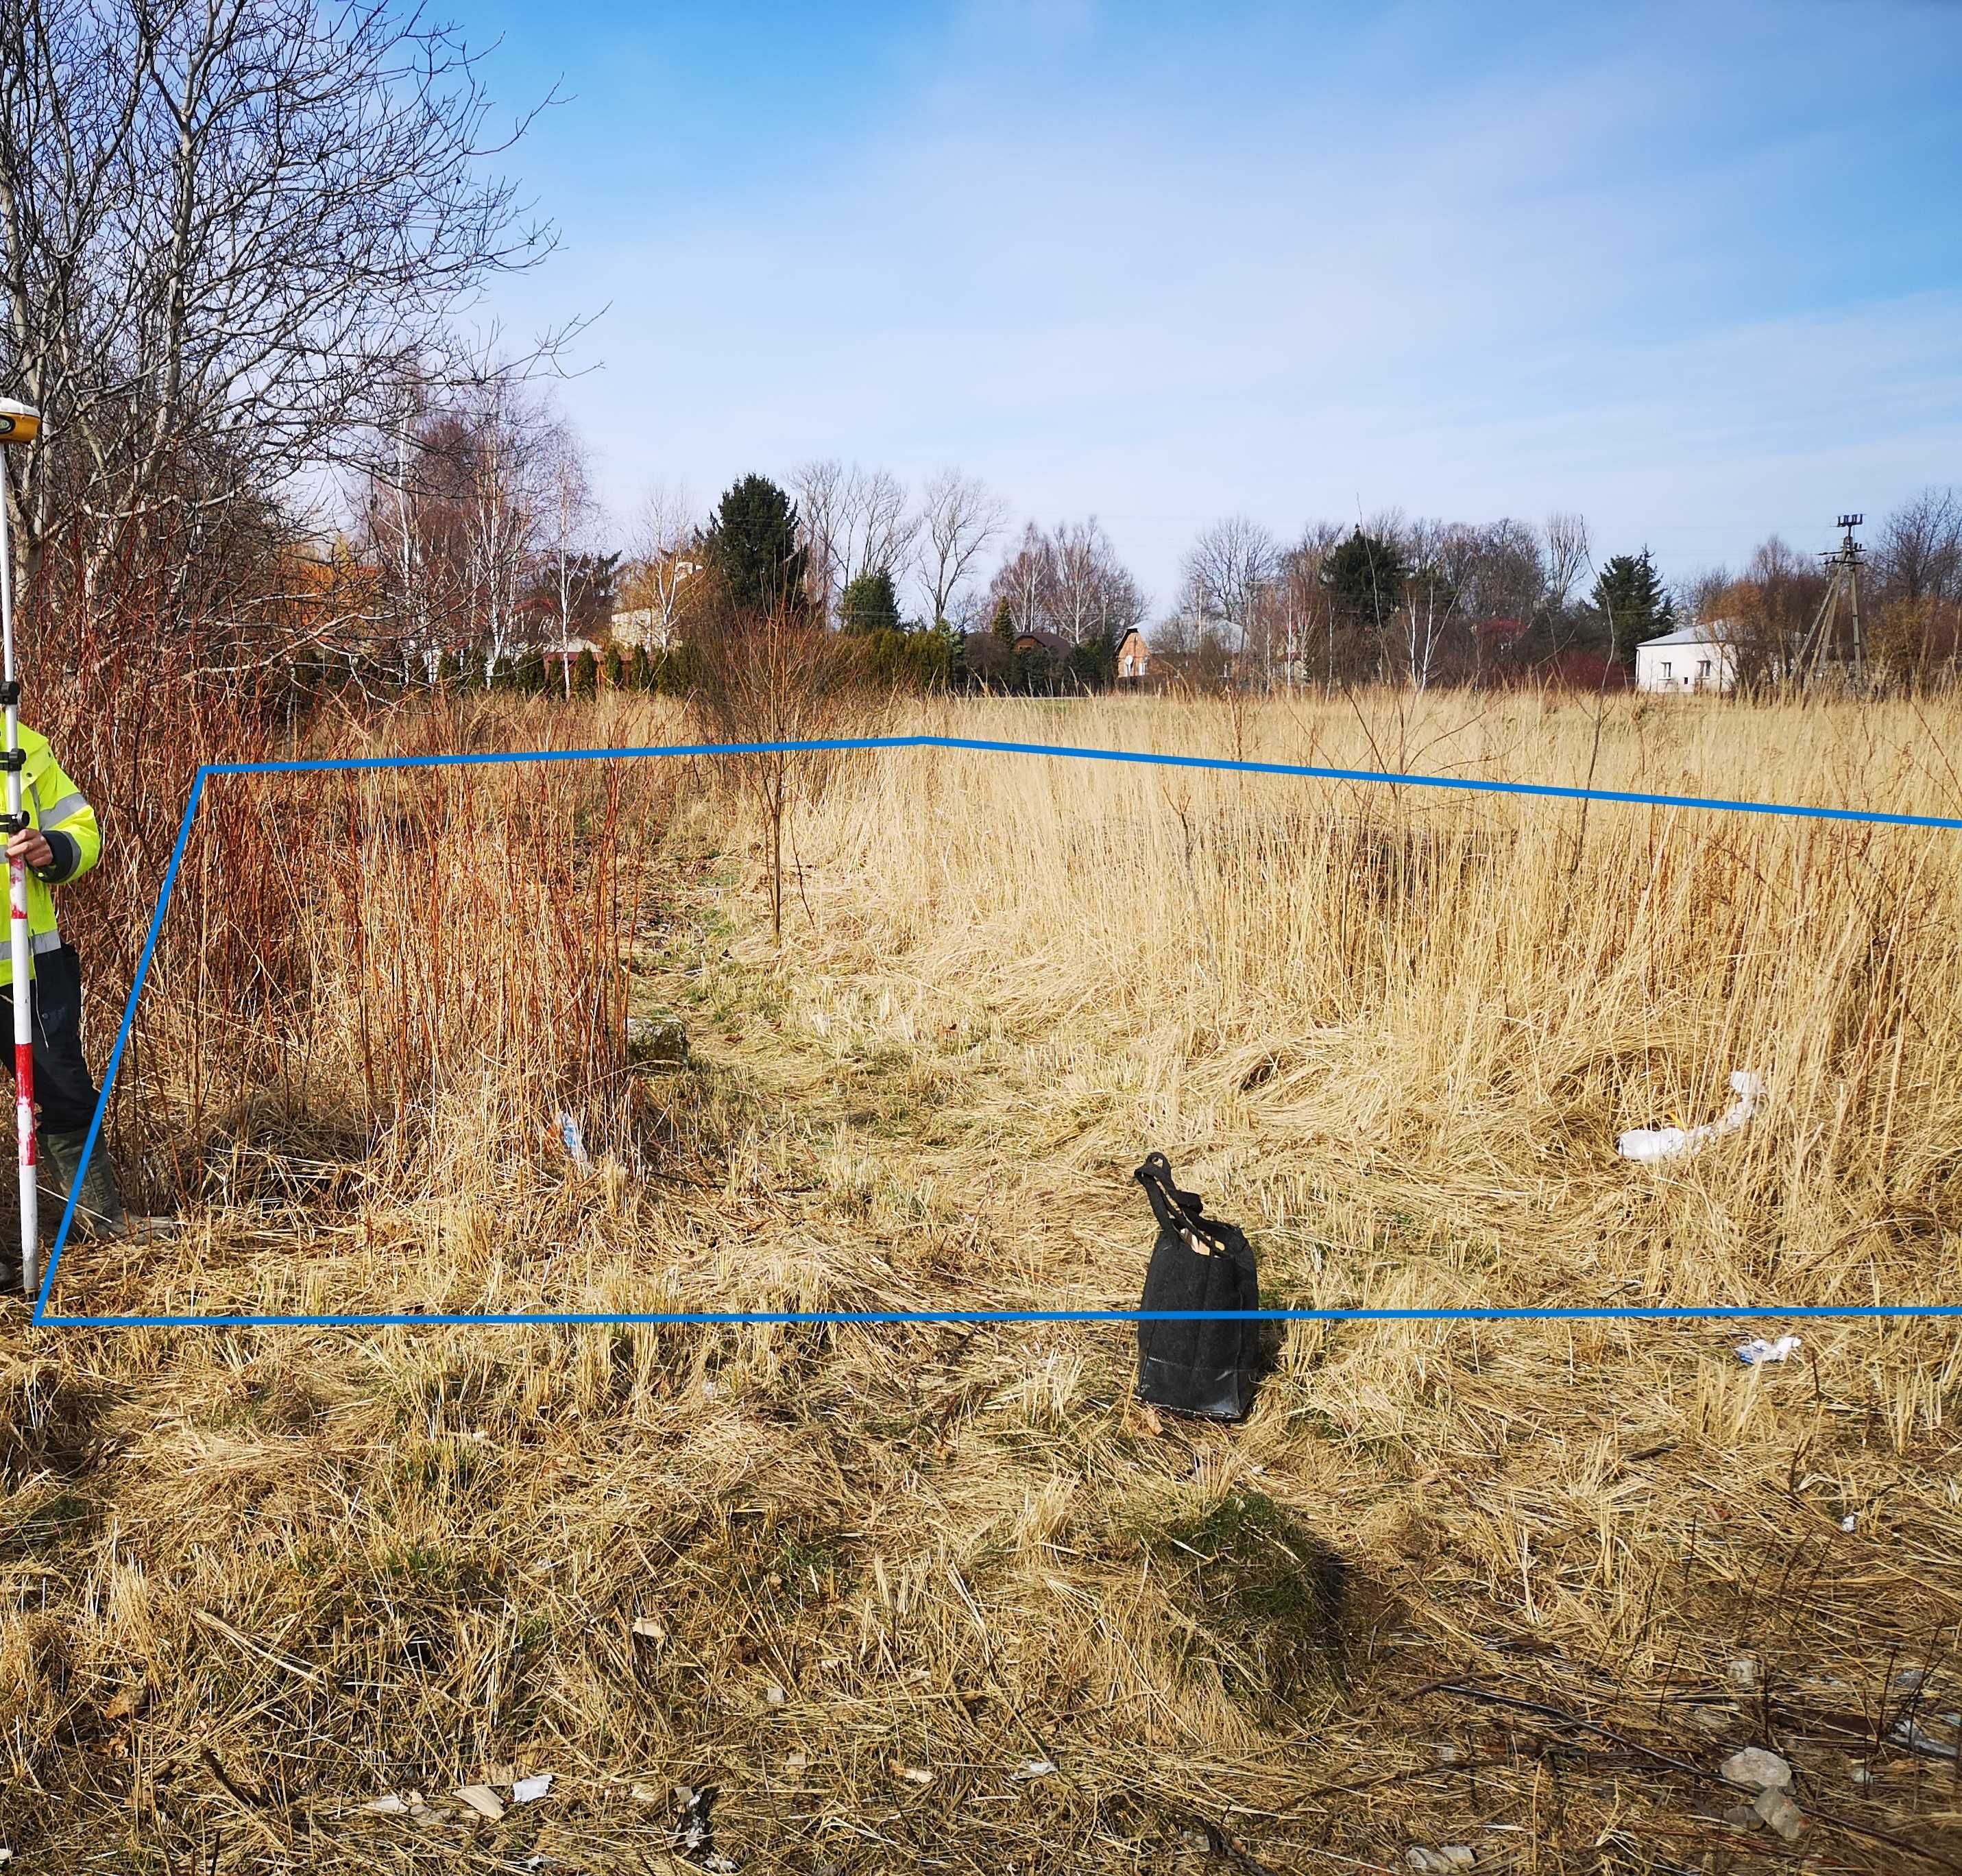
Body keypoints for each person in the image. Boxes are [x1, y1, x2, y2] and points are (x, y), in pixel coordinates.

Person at [0, 724, 141, 1286]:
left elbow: (83, 832)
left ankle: (101, 1219)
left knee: (65, 1094)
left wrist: (50, 848)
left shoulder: (23, 745)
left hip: (31, 967)